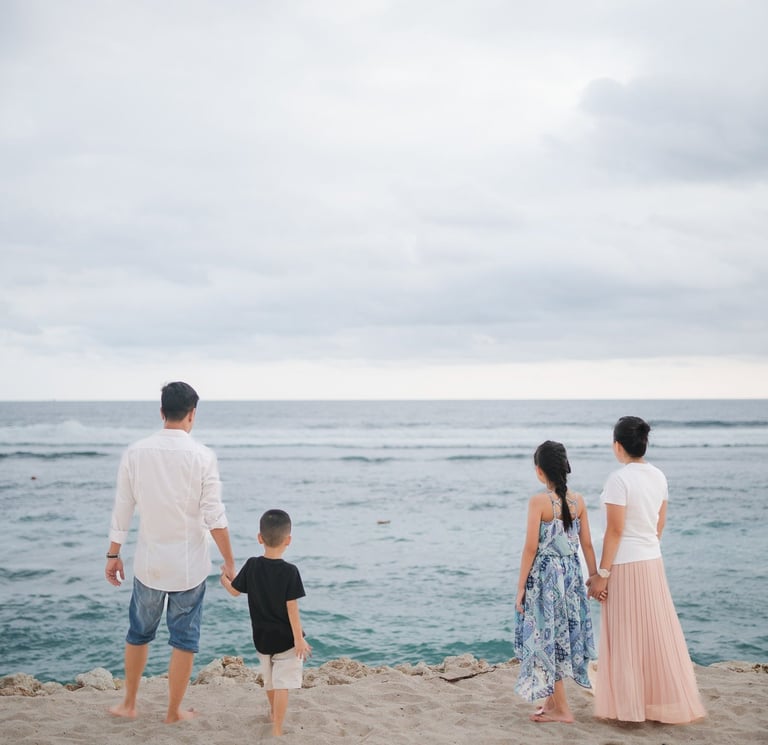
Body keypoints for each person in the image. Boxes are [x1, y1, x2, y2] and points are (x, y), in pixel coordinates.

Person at [105, 381, 236, 723]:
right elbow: (214, 516)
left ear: (161, 412)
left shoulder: (136, 452)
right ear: (193, 414)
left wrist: (112, 554)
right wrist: (230, 562)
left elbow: (123, 507)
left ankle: (129, 703)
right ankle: (173, 711)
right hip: (190, 568)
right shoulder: (203, 456)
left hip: (149, 565)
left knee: (138, 634)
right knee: (184, 640)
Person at [587, 416, 706, 723]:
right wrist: (648, 549)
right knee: (654, 632)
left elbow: (615, 531)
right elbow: (659, 525)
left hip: (624, 565)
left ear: (617, 445)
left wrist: (603, 574)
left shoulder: (619, 479)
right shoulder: (658, 476)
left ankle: (629, 708)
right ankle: (655, 703)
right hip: (652, 561)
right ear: (643, 443)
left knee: (625, 635)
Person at [514, 441, 598, 723]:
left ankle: (563, 710)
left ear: (540, 471)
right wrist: (594, 575)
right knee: (560, 635)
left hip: (546, 578)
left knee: (546, 638)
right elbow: (586, 544)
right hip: (571, 576)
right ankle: (551, 704)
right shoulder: (579, 501)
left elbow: (530, 548)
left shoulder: (539, 501)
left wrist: (520, 586)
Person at [221, 509, 312, 737]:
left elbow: (234, 591)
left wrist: (224, 578)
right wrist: (299, 639)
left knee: (271, 683)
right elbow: (292, 609)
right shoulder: (290, 572)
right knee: (282, 685)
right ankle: (278, 728)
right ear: (288, 540)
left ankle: (273, 713)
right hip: (287, 641)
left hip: (262, 639)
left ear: (259, 538)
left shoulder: (252, 565)